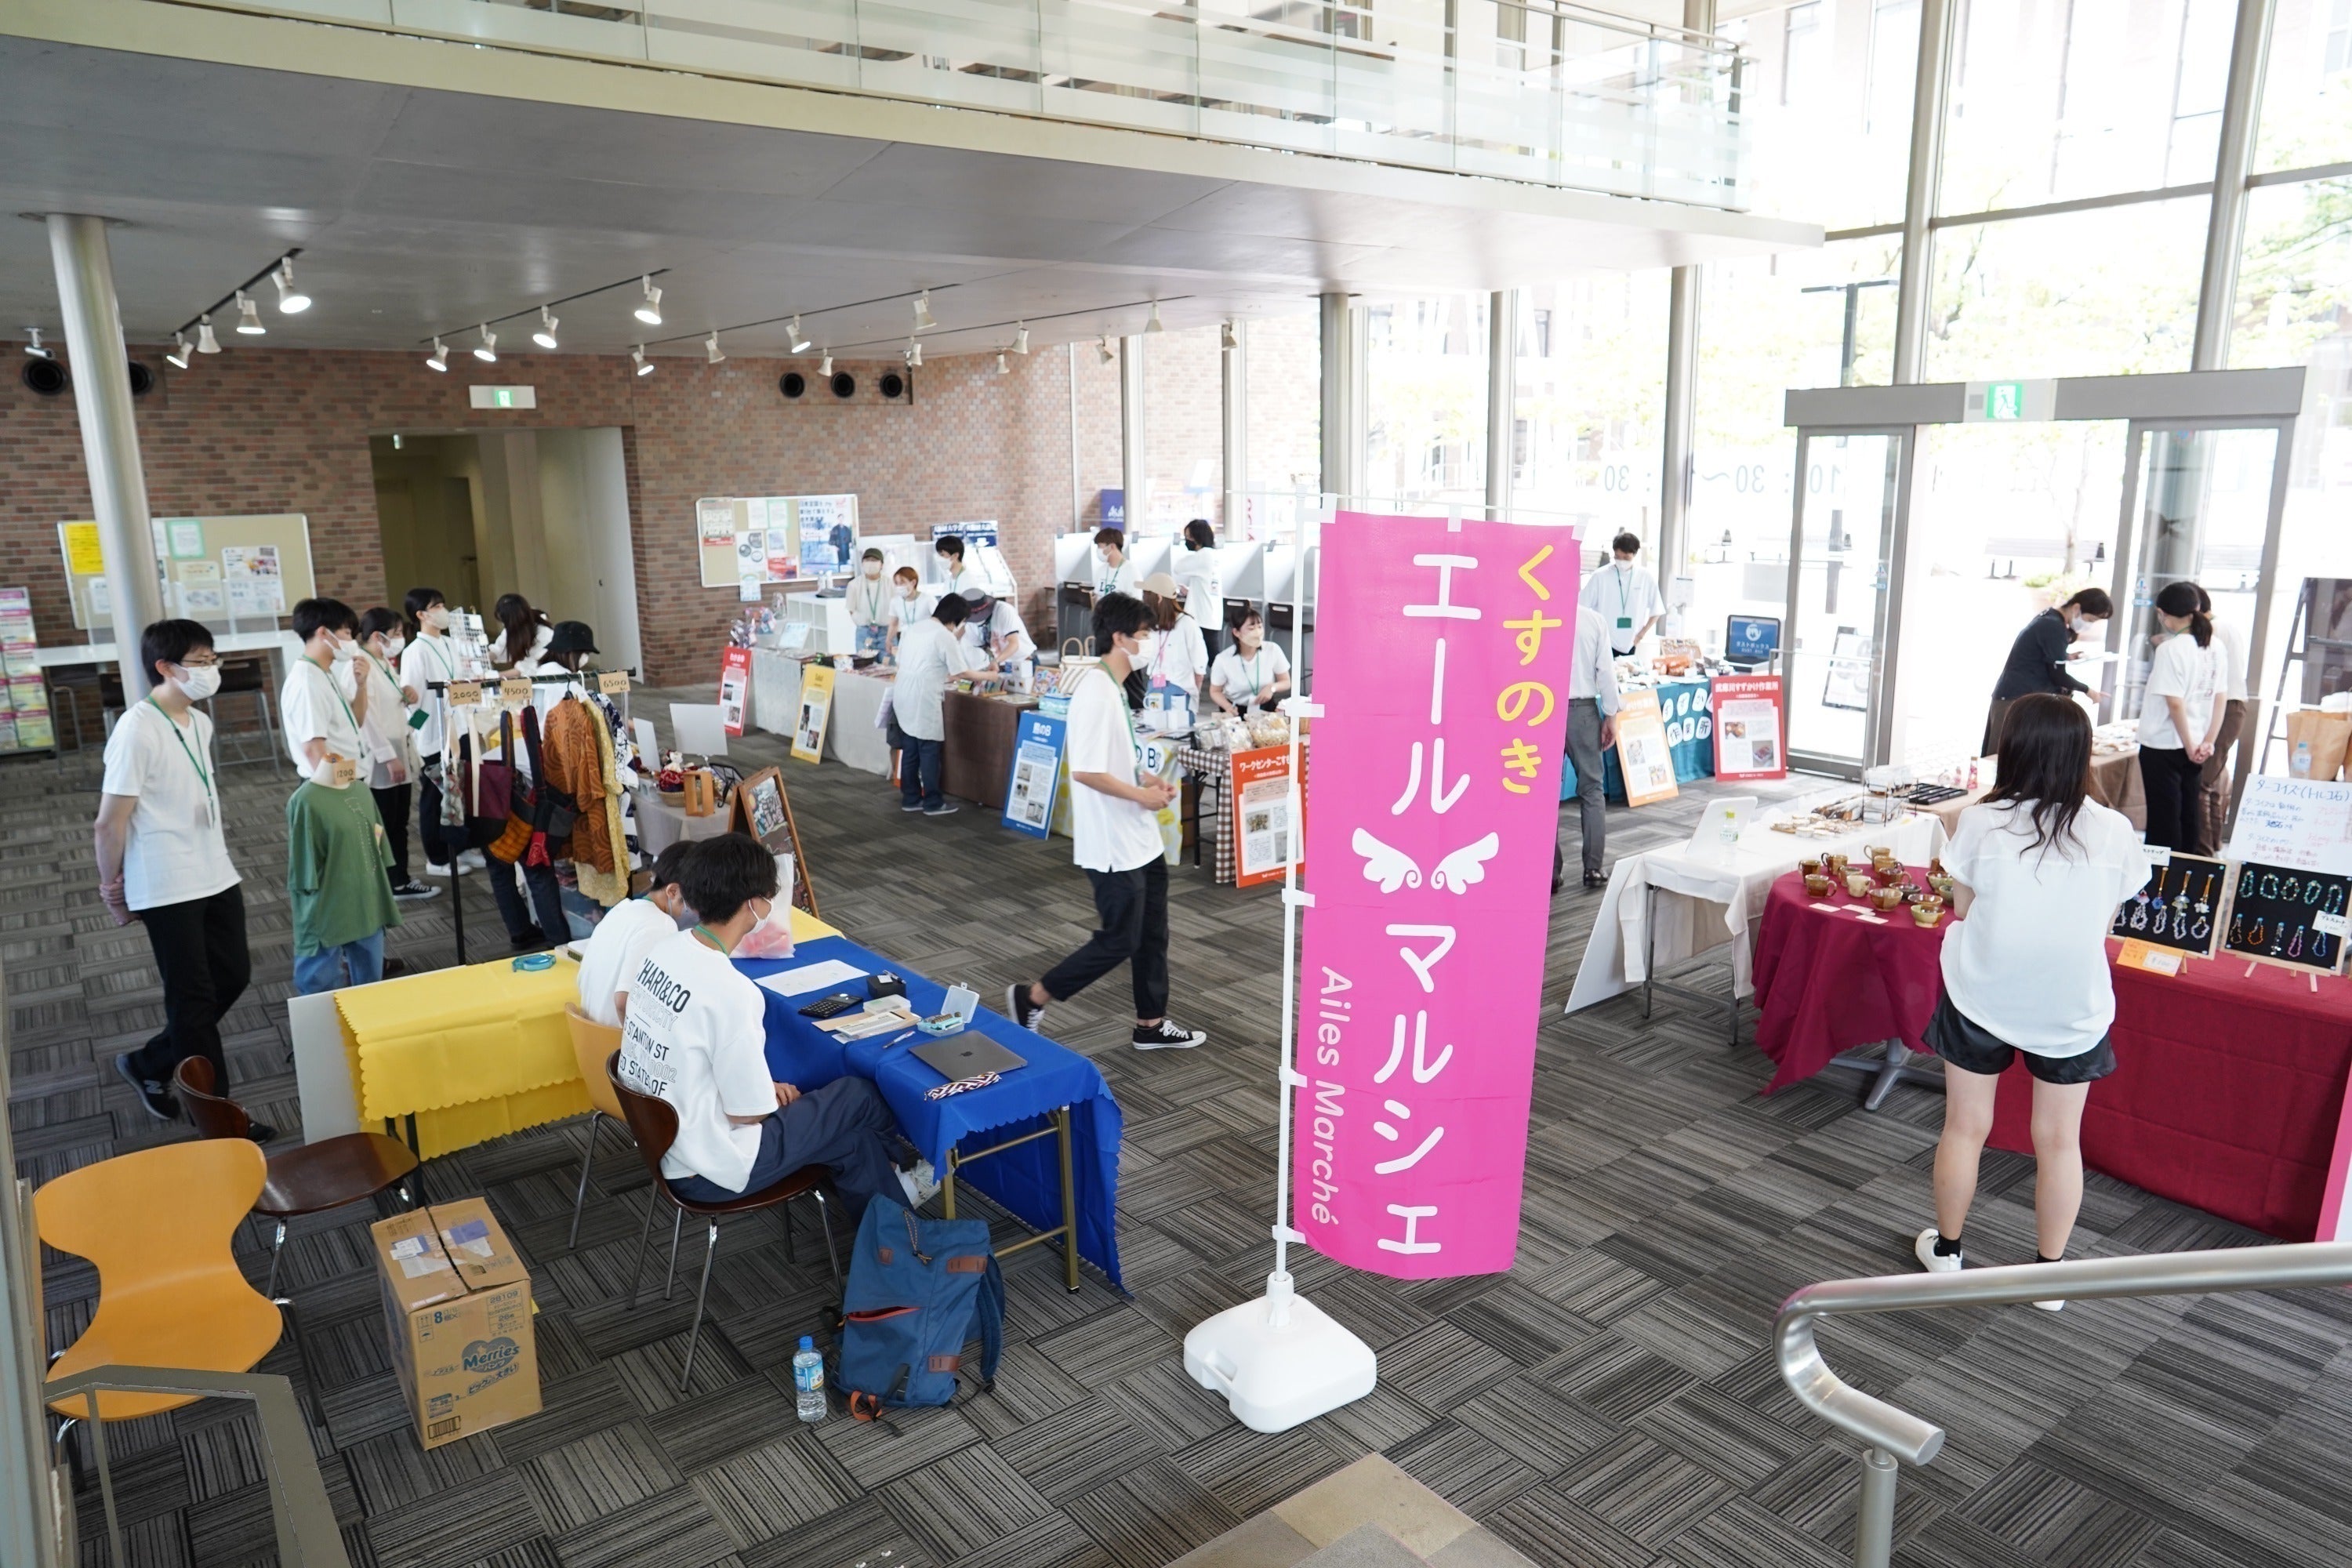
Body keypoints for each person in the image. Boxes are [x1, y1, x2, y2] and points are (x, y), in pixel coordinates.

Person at [1916, 694, 2147, 1308]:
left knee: (1966, 1126)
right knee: (2059, 1140)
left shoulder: (1982, 822)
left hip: (1982, 991)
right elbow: (2106, 920)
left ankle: (1948, 1253)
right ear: (2081, 753)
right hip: (2072, 1003)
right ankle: (2048, 1278)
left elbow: (1963, 908)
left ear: (2012, 749)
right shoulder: (2114, 830)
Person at [615, 833, 928, 1221]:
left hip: (664, 1143)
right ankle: (900, 1168)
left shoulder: (662, 952)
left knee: (854, 1139)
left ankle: (895, 1224)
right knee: (858, 1095)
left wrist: (764, 1090)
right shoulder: (733, 992)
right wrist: (765, 1094)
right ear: (755, 904)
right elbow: (748, 1115)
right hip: (710, 1166)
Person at [1007, 592, 1207, 1052]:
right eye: (1143, 634)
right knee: (1120, 939)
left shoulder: (1116, 688)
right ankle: (1032, 997)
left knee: (1153, 934)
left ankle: (1151, 1024)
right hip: (1113, 844)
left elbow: (1117, 757)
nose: (1149, 643)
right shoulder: (1096, 692)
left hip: (1140, 837)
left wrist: (1147, 780)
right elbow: (1086, 771)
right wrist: (1142, 796)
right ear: (1119, 638)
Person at [96, 619, 264, 1134]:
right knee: (192, 1003)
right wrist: (113, 889)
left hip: (213, 869)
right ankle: (220, 1124)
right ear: (165, 668)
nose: (211, 670)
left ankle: (149, 1063)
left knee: (232, 976)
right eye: (200, 662)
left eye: (213, 660)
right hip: (166, 882)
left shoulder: (198, 722)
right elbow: (109, 822)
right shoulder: (136, 729)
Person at [286, 728, 402, 995]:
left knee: (370, 977)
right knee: (318, 981)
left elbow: (377, 837)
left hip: (366, 892)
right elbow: (304, 867)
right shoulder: (306, 801)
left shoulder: (361, 790)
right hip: (329, 896)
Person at [356, 608, 436, 902]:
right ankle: (390, 881)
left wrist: (406, 694)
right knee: (385, 823)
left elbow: (391, 702)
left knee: (398, 822)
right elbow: (367, 719)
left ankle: (399, 878)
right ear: (378, 636)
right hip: (382, 756)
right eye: (397, 633)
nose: (401, 638)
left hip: (398, 745)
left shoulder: (383, 663)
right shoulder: (362, 665)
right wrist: (388, 757)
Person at [2137, 581, 2223, 852]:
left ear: (2162, 613)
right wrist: (2207, 742)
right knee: (2188, 815)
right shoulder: (2215, 646)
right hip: (2197, 743)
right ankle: (2187, 871)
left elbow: (2175, 703)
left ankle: (2161, 877)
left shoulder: (2171, 649)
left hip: (2164, 744)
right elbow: (2220, 697)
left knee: (2164, 820)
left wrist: (2189, 745)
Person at [575, 840, 695, 1026]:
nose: (696, 909)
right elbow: (623, 1001)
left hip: (588, 1033)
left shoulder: (622, 909)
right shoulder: (661, 925)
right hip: (614, 1038)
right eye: (695, 899)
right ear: (673, 891)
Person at [1982, 587, 2111, 755]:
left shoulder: (2050, 617)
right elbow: (2059, 676)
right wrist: (2089, 691)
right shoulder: (2053, 626)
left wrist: (2066, 656)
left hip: (2018, 697)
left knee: (2012, 756)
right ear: (2077, 608)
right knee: (2004, 757)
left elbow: (2042, 654)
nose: (2089, 625)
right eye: (2090, 620)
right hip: (2014, 700)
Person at [398, 586, 471, 877]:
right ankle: (437, 858)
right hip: (433, 732)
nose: (443, 611)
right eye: (436, 607)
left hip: (459, 726)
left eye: (443, 605)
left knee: (460, 789)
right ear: (421, 615)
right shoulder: (415, 651)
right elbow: (412, 700)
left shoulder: (450, 644)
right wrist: (417, 733)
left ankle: (462, 846)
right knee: (435, 796)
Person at [1555, 601, 1623, 893]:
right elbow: (1606, 673)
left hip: (1539, 709)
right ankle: (1593, 868)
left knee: (1543, 796)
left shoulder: (1533, 614)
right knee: (1592, 790)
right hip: (1582, 712)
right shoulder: (1593, 620)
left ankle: (1549, 871)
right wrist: (1611, 715)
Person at [891, 593, 970, 816]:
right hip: (924, 696)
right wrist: (990, 676)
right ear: (956, 619)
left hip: (903, 691)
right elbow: (960, 671)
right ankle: (933, 802)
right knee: (928, 749)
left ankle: (911, 798)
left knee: (910, 748)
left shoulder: (915, 627)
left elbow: (902, 660)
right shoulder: (944, 635)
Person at [281, 597, 369, 776]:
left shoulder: (324, 672)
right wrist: (338, 786)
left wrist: (361, 685)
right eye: (347, 633)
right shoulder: (307, 681)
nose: (352, 641)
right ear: (323, 632)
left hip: (348, 775)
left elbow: (356, 721)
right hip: (333, 782)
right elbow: (313, 749)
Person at [2195, 584, 2248, 854]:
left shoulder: (2212, 631)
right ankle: (2213, 849)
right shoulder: (2227, 626)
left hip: (2224, 708)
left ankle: (2202, 855)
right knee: (2212, 783)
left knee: (2201, 784)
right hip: (2233, 707)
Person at [1577, 532, 1664, 659]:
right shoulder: (1600, 576)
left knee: (1625, 670)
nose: (1621, 561)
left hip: (1631, 642)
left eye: (1626, 558)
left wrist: (1641, 635)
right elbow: (1581, 607)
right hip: (1603, 641)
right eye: (1617, 557)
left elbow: (1657, 610)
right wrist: (1591, 633)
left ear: (1634, 554)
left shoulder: (1645, 577)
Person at [1138, 572, 1209, 724]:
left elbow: (1200, 668)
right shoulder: (1152, 625)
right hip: (1155, 689)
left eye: (1146, 596)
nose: (1144, 601)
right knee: (1154, 731)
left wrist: (1194, 699)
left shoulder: (1187, 624)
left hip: (1180, 692)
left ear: (1159, 597)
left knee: (1179, 734)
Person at [1208, 606, 1290, 715]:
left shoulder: (1272, 649)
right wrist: (1228, 707)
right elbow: (1215, 691)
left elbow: (1286, 682)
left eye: (1260, 627)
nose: (1258, 632)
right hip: (1236, 710)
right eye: (1251, 629)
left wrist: (1272, 688)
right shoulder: (1223, 659)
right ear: (1236, 632)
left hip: (1265, 708)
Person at [492, 592, 554, 673]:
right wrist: (481, 659)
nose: (504, 625)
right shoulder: (513, 626)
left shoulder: (544, 633)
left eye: (505, 622)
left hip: (544, 677)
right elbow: (499, 649)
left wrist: (494, 676)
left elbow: (529, 669)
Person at [848, 548, 893, 658]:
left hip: (886, 631)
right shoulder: (854, 584)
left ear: (881, 564)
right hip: (864, 631)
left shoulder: (890, 583)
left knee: (888, 664)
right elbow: (851, 608)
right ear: (862, 563)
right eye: (867, 560)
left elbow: (896, 609)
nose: (870, 563)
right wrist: (860, 621)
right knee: (865, 665)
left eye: (874, 560)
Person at [885, 565, 933, 661]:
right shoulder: (895, 601)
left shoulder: (928, 599)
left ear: (913, 582)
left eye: (902, 583)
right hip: (905, 641)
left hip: (924, 641)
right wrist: (888, 640)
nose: (899, 587)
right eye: (896, 583)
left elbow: (939, 621)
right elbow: (894, 624)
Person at [1092, 527, 1138, 602]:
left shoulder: (1131, 572)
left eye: (1100, 546)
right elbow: (1097, 597)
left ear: (1112, 546)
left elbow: (1136, 604)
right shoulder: (1101, 570)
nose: (1098, 550)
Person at [934, 533, 974, 597]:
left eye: (942, 555)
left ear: (955, 555)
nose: (939, 558)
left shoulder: (968, 580)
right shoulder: (949, 579)